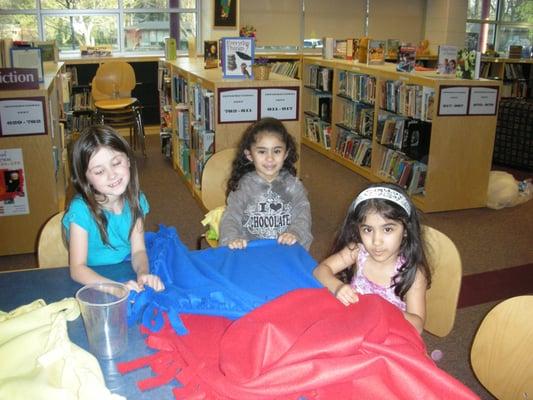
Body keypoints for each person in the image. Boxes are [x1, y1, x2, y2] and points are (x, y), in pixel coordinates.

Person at [312, 183, 431, 333]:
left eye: (387, 229)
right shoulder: (357, 251)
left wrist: (382, 309)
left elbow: (418, 326)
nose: (376, 241)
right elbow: (320, 270)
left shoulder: (413, 274)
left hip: (388, 337)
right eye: (368, 230)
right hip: (353, 326)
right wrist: (337, 287)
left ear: (406, 230)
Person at [62, 125, 164, 292]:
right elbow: (77, 269)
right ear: (86, 179)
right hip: (93, 281)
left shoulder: (136, 200)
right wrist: (115, 288)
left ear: (129, 160)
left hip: (125, 267)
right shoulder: (80, 211)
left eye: (116, 163)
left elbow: (138, 251)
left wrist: (143, 273)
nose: (112, 175)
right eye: (99, 171)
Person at [219, 117, 313, 250]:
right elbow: (231, 218)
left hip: (283, 251)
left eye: (277, 151)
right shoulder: (243, 187)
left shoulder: (294, 186)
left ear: (286, 154)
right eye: (262, 151)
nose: (270, 158)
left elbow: (303, 217)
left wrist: (294, 233)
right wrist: (233, 238)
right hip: (250, 251)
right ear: (249, 155)